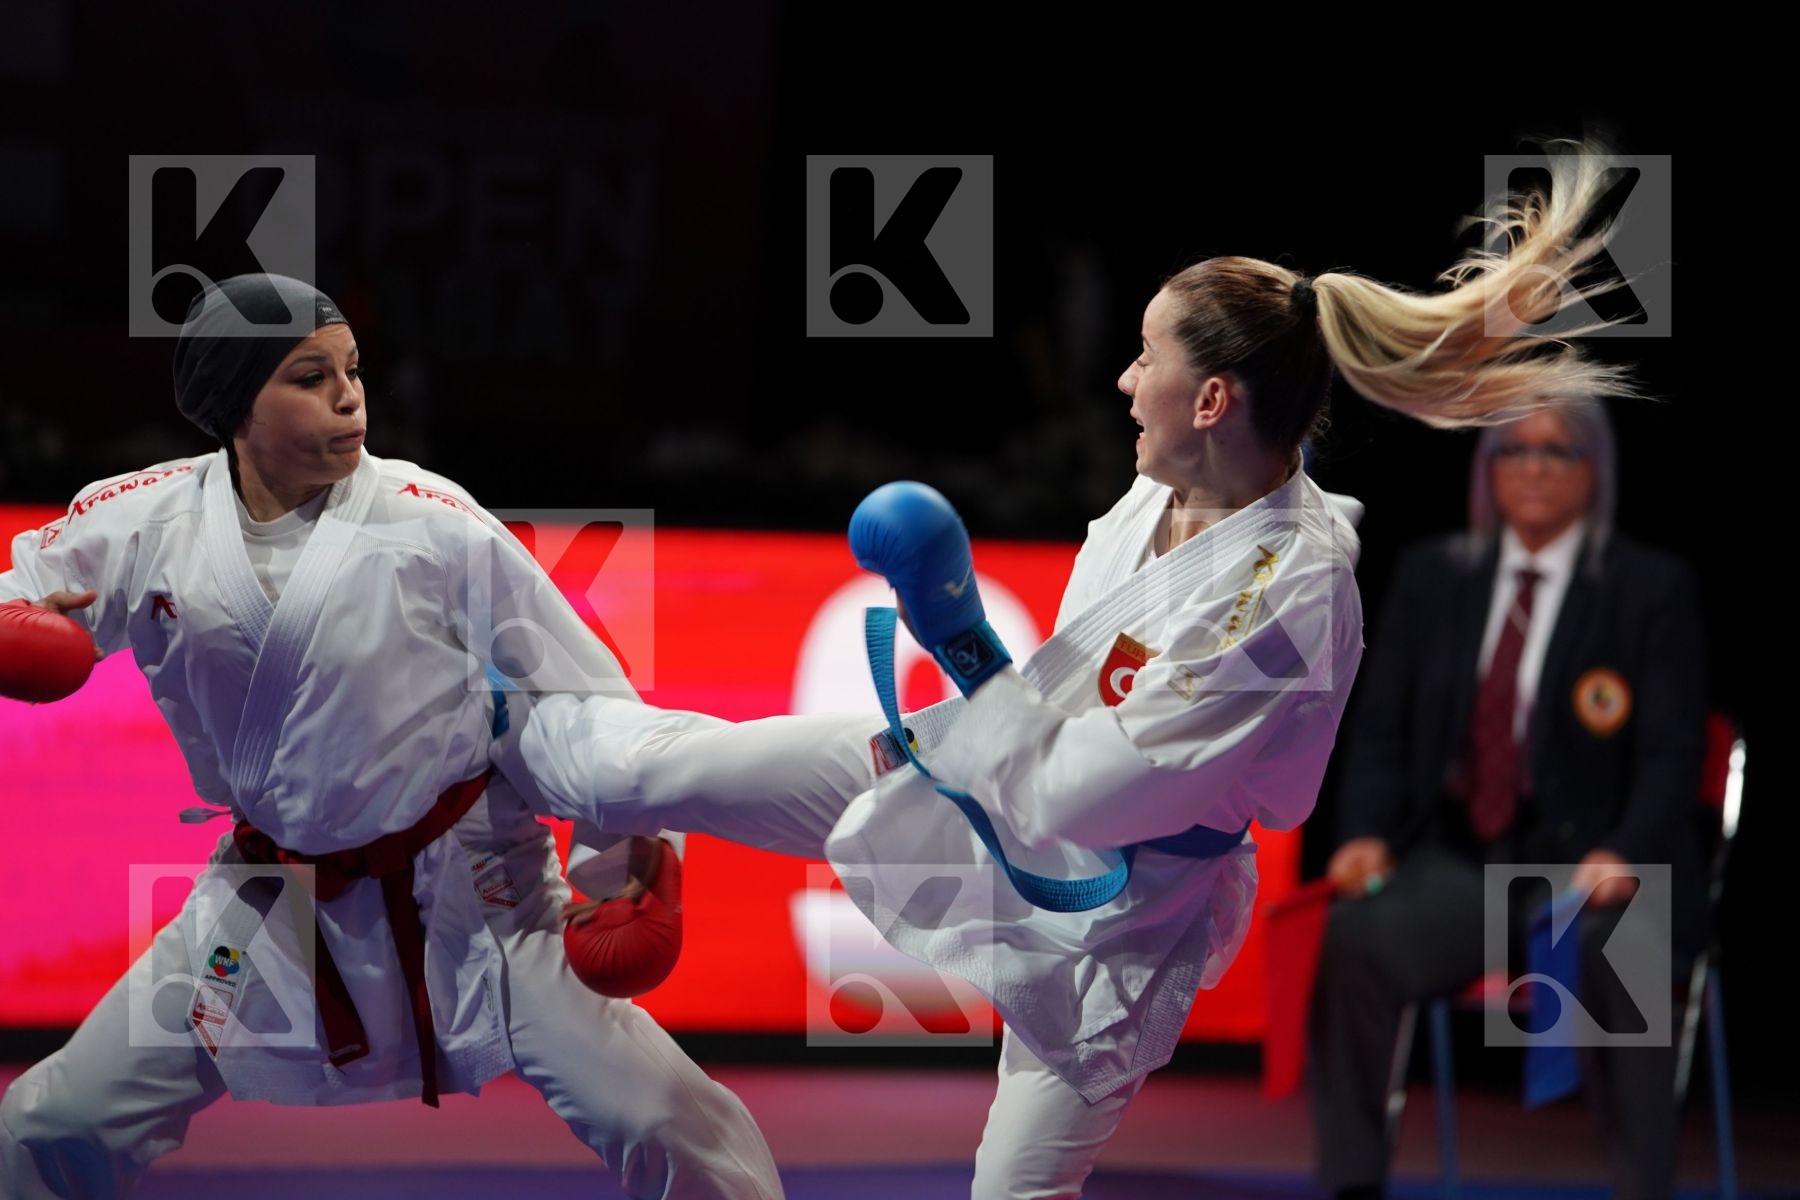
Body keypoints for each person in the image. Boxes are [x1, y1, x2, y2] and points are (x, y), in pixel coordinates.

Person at [507, 140, 1655, 1198]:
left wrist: (958, 631)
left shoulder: (1288, 605)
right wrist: (953, 711)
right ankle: (490, 735)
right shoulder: (1165, 485)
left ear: (1211, 401)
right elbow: (1048, 729)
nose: (1120, 379)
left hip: (1117, 921)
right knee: (676, 762)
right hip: (983, 790)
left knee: (1013, 1189)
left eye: (1145, 357)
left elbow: (1076, 795)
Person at [0, 273, 784, 1199]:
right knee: (55, 1121)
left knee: (670, 1122)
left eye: (353, 369)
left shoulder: (430, 523)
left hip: (482, 891)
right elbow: (28, 581)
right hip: (268, 897)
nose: (348, 395)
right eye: (308, 376)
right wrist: (16, 623)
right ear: (232, 407)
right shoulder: (148, 519)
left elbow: (585, 694)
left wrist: (620, 873)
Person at [1310, 400, 1708, 1200]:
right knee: (1356, 937)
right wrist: (1363, 835)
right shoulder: (1433, 576)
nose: (1533, 467)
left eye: (1557, 451)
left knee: (1616, 947)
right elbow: (1381, 730)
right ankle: (1350, 1184)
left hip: (1595, 868)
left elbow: (1672, 756)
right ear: (1486, 469)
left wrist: (1625, 852)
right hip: (1464, 863)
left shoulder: (1648, 589)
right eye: (1513, 451)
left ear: (1595, 469)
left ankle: (1643, 1188)